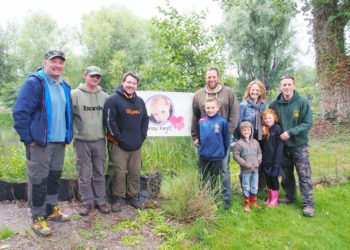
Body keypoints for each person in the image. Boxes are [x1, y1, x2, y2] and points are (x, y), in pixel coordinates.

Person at [13, 50, 72, 237]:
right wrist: (28, 138)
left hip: (59, 141)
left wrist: (67, 134)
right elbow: (20, 113)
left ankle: (51, 209)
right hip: (39, 143)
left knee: (54, 176)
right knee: (38, 180)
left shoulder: (64, 85)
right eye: (53, 61)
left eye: (61, 62)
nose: (57, 65)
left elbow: (66, 113)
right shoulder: (34, 83)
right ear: (44, 62)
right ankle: (37, 217)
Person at [191, 67, 239, 209]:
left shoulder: (228, 92)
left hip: (222, 140)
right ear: (205, 78)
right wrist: (195, 136)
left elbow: (234, 115)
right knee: (204, 171)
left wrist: (226, 133)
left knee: (223, 170)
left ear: (218, 77)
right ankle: (206, 198)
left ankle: (225, 200)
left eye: (214, 76)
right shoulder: (199, 95)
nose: (211, 79)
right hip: (204, 141)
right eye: (208, 77)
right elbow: (195, 117)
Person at [103, 72, 149, 213]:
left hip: (136, 144)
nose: (131, 85)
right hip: (117, 144)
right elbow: (109, 122)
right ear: (122, 82)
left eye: (134, 83)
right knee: (119, 172)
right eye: (128, 82)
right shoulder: (113, 100)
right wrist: (120, 139)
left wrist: (142, 137)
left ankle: (133, 196)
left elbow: (145, 119)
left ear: (136, 85)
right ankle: (119, 198)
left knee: (135, 171)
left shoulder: (140, 102)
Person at [269, 75, 315, 217]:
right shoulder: (275, 104)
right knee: (286, 174)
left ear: (294, 86)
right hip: (283, 147)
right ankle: (290, 196)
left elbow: (308, 123)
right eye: (284, 85)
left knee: (304, 175)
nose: (287, 87)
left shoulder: (302, 102)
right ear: (280, 87)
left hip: (299, 145)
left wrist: (291, 132)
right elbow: (269, 119)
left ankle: (308, 204)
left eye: (289, 84)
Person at [71, 66, 110, 216]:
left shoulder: (105, 96)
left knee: (100, 172)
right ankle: (87, 202)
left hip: (100, 140)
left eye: (98, 76)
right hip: (82, 141)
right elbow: (68, 117)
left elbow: (109, 118)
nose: (95, 78)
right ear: (85, 75)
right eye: (92, 75)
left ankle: (101, 201)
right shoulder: (74, 95)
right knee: (84, 174)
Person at [233, 80, 267, 193]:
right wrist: (239, 140)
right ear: (249, 91)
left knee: (258, 162)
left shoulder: (262, 105)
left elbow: (265, 121)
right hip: (247, 139)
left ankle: (258, 188)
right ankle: (245, 190)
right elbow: (239, 122)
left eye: (258, 90)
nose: (255, 92)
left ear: (261, 92)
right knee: (246, 164)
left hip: (259, 139)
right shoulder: (243, 105)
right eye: (253, 90)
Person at [197, 98, 230, 196]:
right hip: (203, 156)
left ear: (217, 108)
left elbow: (226, 139)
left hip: (216, 157)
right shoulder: (201, 121)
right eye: (208, 107)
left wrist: (223, 153)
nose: (210, 109)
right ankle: (201, 198)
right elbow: (200, 137)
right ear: (205, 108)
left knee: (214, 179)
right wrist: (200, 149)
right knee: (202, 177)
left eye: (212, 107)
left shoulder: (222, 122)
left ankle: (214, 199)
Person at [233, 121, 262, 212]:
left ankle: (253, 201)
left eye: (248, 130)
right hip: (245, 170)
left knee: (254, 186)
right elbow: (236, 155)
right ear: (241, 131)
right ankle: (246, 203)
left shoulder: (255, 142)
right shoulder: (239, 143)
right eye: (244, 130)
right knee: (246, 186)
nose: (246, 132)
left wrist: (258, 161)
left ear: (251, 130)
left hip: (255, 169)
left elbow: (259, 153)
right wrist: (244, 163)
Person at [261, 109, 284, 208]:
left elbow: (280, 146)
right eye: (265, 118)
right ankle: (269, 198)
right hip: (266, 160)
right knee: (268, 180)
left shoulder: (277, 128)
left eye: (270, 118)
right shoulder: (265, 129)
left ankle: (275, 200)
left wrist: (277, 162)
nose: (268, 120)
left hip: (275, 161)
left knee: (274, 180)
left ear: (274, 118)